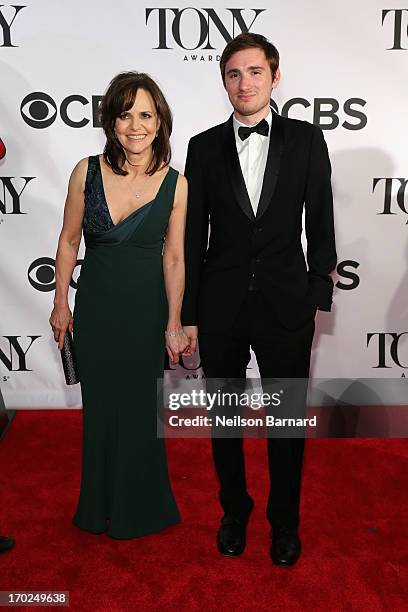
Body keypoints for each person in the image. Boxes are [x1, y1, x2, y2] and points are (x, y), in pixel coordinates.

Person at [182, 33, 336, 565]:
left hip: (285, 308)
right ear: (223, 81)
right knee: (224, 421)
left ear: (274, 76)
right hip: (220, 308)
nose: (243, 83)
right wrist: (188, 314)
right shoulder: (202, 147)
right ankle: (234, 510)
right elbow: (190, 236)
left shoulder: (307, 140)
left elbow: (320, 222)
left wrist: (315, 295)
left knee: (286, 423)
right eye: (233, 74)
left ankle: (285, 523)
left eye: (253, 72)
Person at [50, 72, 188, 539]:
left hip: (146, 313)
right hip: (98, 308)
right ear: (110, 120)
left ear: (160, 121)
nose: (135, 125)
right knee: (102, 407)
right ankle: (98, 506)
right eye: (125, 114)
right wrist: (60, 304)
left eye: (145, 115)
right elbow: (69, 242)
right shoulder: (85, 171)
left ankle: (140, 508)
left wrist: (173, 322)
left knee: (140, 411)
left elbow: (174, 257)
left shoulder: (177, 184)